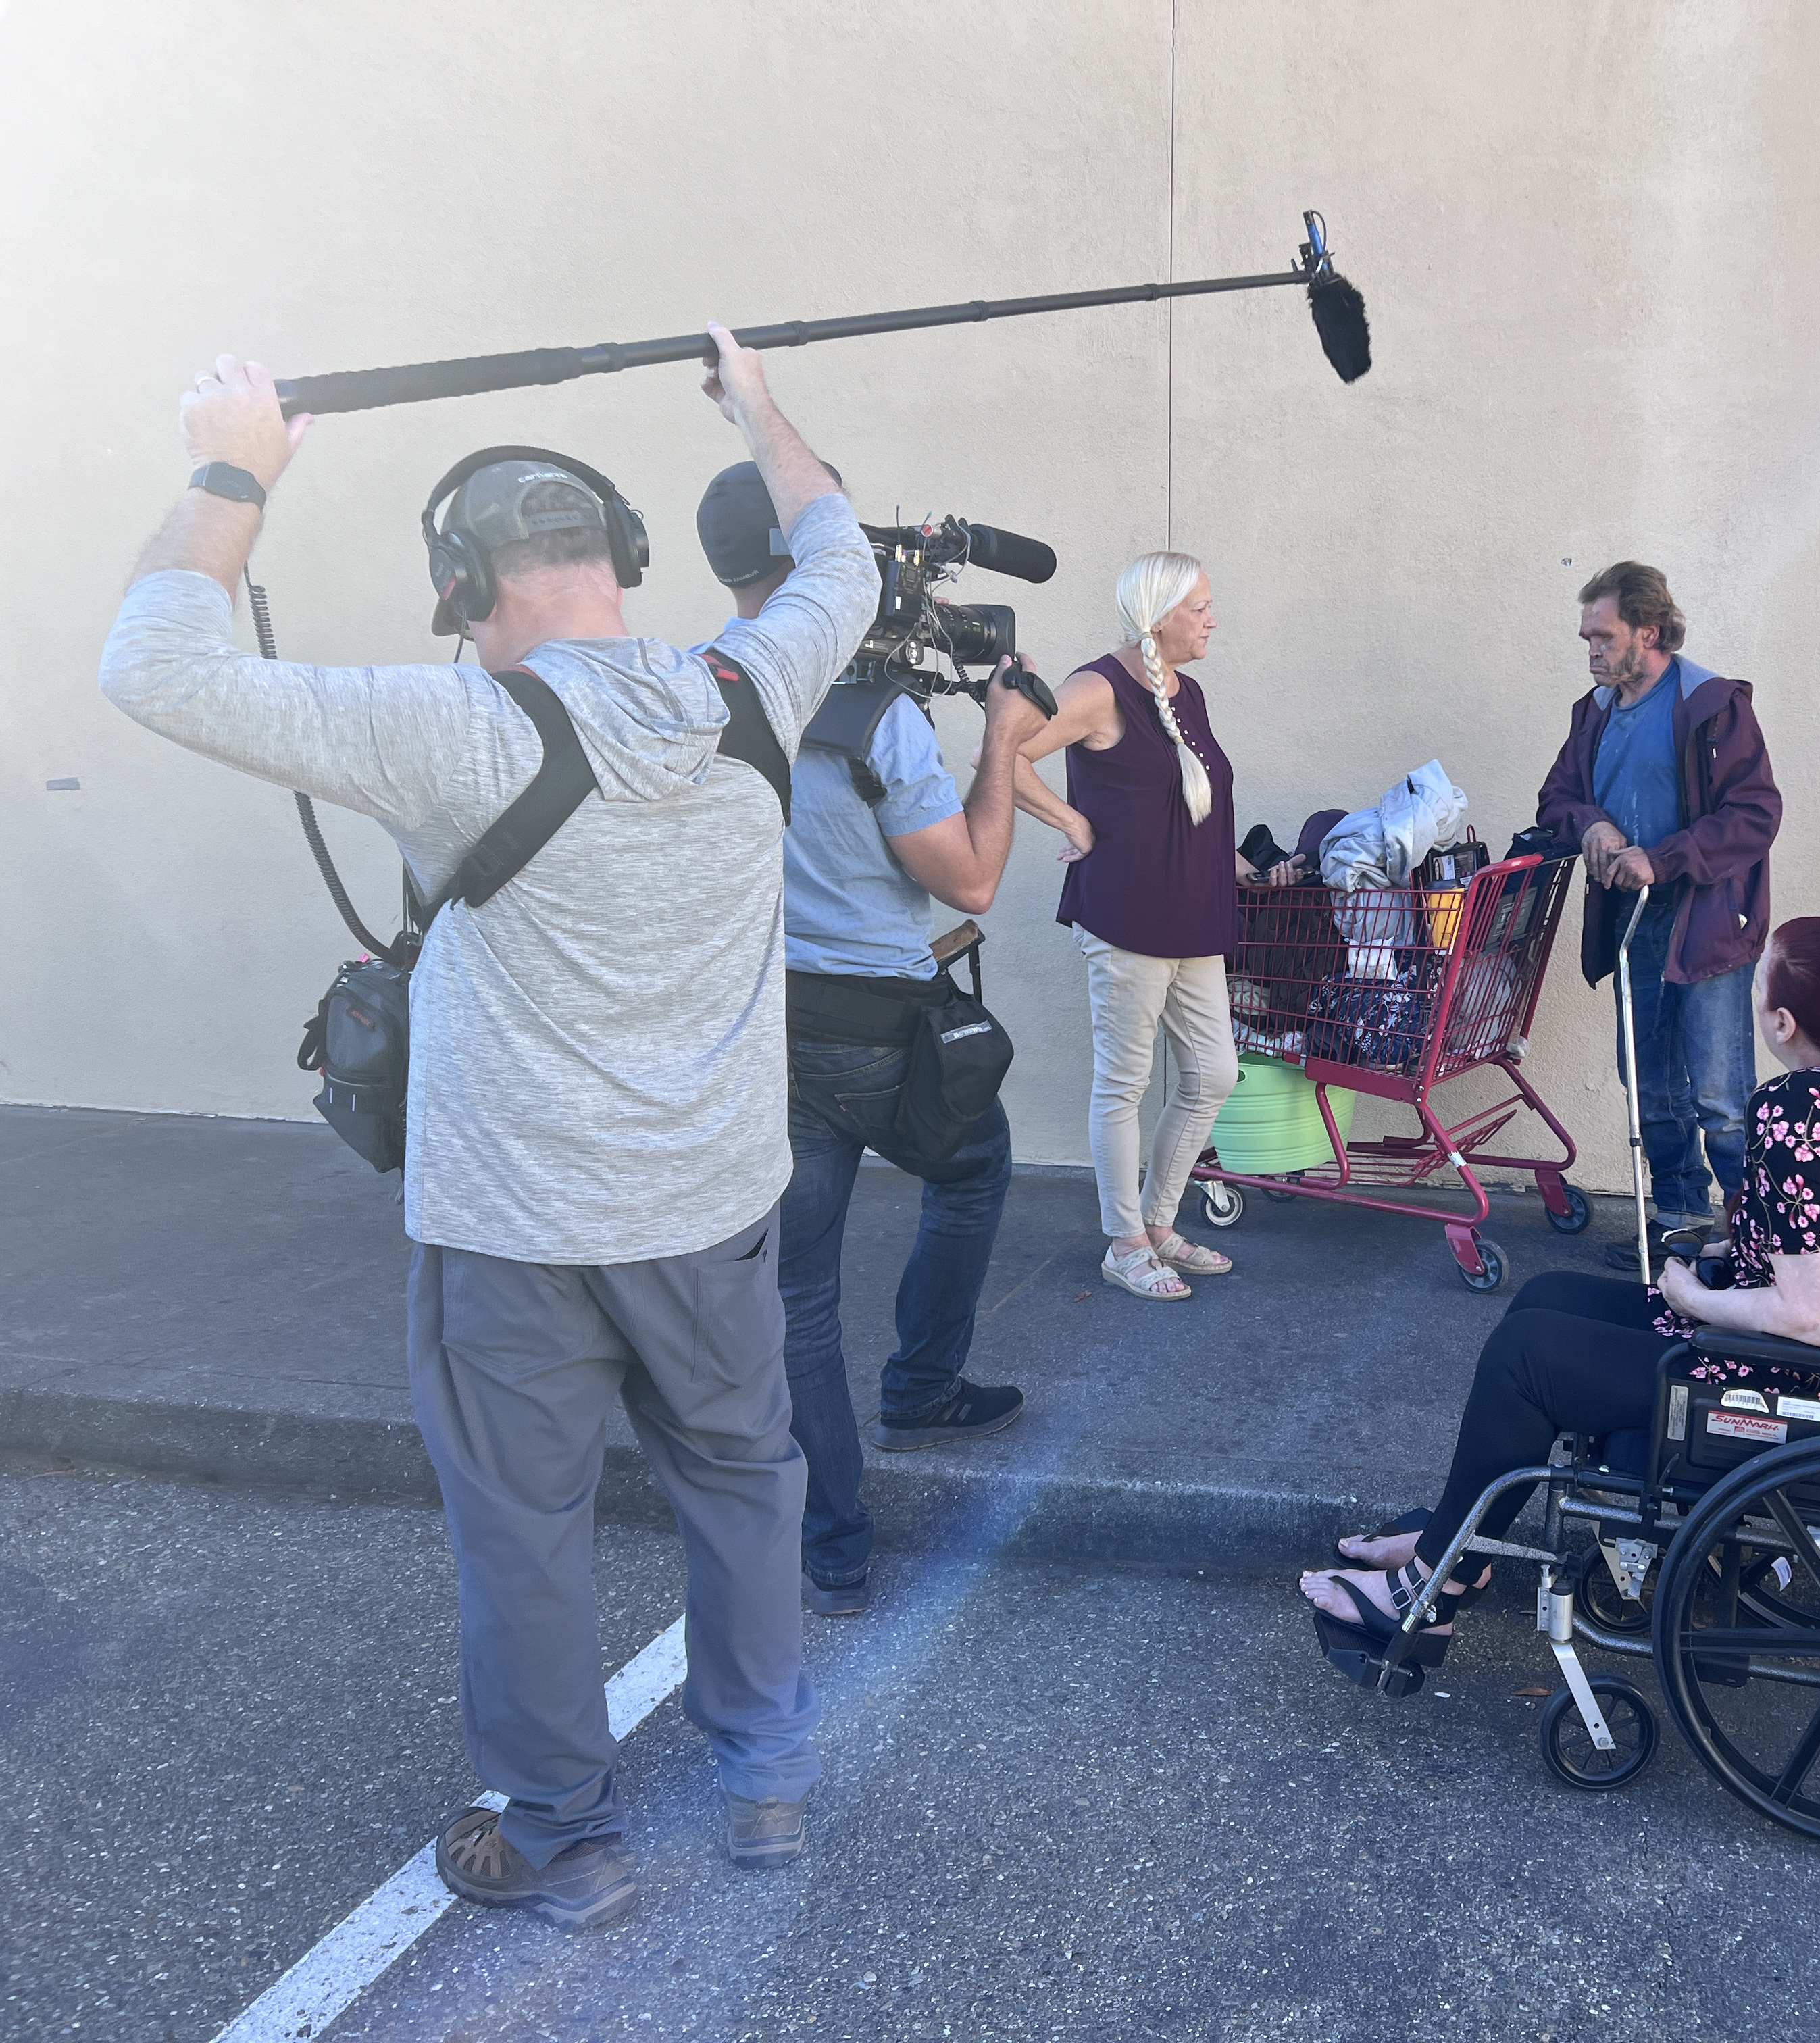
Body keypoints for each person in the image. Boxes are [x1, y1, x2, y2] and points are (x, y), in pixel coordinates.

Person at [99, 334, 876, 1932]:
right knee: (747, 1485)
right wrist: (751, 398)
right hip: (716, 1210)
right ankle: (767, 1786)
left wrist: (237, 463)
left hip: (519, 1230)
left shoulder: (444, 730)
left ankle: (564, 1835)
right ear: (624, 559)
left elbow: (156, 665)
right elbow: (837, 542)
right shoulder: (759, 684)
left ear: (465, 587)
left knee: (528, 1529)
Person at [1298, 917, 1820, 1668]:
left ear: (1783, 1023)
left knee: (1529, 1358)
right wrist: (1744, 1245)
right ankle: (1454, 1546)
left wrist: (1696, 1301)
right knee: (1544, 1299)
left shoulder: (1798, 1109)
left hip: (1802, 1389)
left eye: (1759, 991)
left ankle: (1429, 1596)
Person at [694, 462, 1046, 1621]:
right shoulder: (876, 718)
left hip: (762, 1023)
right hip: (880, 1031)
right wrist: (999, 735)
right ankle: (924, 1384)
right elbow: (975, 880)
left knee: (797, 1293)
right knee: (976, 1163)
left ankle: (833, 1544)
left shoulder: (695, 689)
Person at [1013, 551, 1264, 1302]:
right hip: (1126, 917)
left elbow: (1190, 802)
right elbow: (1004, 756)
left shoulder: (1188, 693)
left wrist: (1243, 869)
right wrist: (1073, 823)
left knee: (1214, 1073)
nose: (1214, 619)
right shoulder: (1097, 687)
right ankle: (1123, 1242)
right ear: (1158, 617)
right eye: (1201, 608)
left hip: (1194, 916)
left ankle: (1157, 1222)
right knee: (1123, 1085)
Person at [1534, 561, 1782, 1271]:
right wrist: (1593, 827)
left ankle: (1754, 1243)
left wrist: (1663, 858)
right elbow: (1555, 799)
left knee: (1721, 1096)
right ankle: (1679, 1224)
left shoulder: (1710, 703)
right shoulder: (1595, 712)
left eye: (1603, 637)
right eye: (1586, 639)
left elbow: (1756, 813)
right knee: (1650, 1086)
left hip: (1705, 921)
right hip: (1631, 924)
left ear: (1649, 630)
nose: (1592, 652)